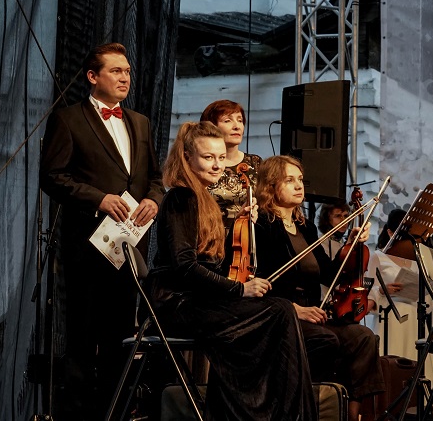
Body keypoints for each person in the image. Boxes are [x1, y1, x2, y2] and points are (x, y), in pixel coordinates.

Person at [147, 123, 315, 420]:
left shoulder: (201, 198)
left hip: (196, 301)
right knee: (279, 311)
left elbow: (209, 261)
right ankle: (279, 413)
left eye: (221, 157)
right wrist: (239, 289)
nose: (217, 165)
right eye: (208, 157)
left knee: (279, 310)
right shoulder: (181, 198)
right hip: (177, 305)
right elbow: (185, 266)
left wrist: (240, 223)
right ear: (187, 157)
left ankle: (269, 411)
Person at [40, 42, 163, 418]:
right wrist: (99, 199)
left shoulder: (139, 122)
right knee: (82, 336)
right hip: (88, 245)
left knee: (120, 336)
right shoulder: (69, 120)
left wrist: (154, 200)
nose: (125, 78)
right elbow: (52, 176)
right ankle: (78, 414)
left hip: (129, 245)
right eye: (116, 71)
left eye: (127, 71)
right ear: (93, 77)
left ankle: (117, 412)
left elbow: (155, 177)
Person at [252, 155, 384, 421]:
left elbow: (330, 274)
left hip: (313, 313)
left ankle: (350, 415)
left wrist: (352, 244)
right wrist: (295, 309)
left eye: (300, 179)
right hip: (282, 316)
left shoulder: (306, 227)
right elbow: (258, 283)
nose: (298, 185)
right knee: (326, 340)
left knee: (363, 338)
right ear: (270, 186)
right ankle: (308, 407)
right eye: (289, 180)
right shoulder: (261, 225)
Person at [200, 99, 261, 273]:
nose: (237, 126)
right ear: (211, 127)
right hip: (209, 243)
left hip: (244, 245)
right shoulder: (202, 166)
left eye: (240, 120)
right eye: (227, 120)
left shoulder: (255, 163)